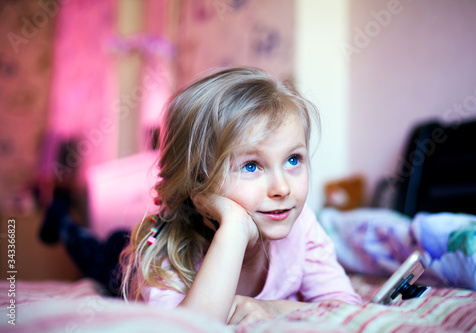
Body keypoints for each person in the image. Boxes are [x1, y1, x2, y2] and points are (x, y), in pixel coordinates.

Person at [120, 66, 361, 325]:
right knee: (107, 255)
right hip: (163, 232)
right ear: (197, 181)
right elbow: (186, 329)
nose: (282, 188)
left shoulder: (302, 227)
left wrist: (273, 309)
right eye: (251, 166)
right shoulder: (168, 252)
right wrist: (234, 227)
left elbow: (345, 308)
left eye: (293, 159)